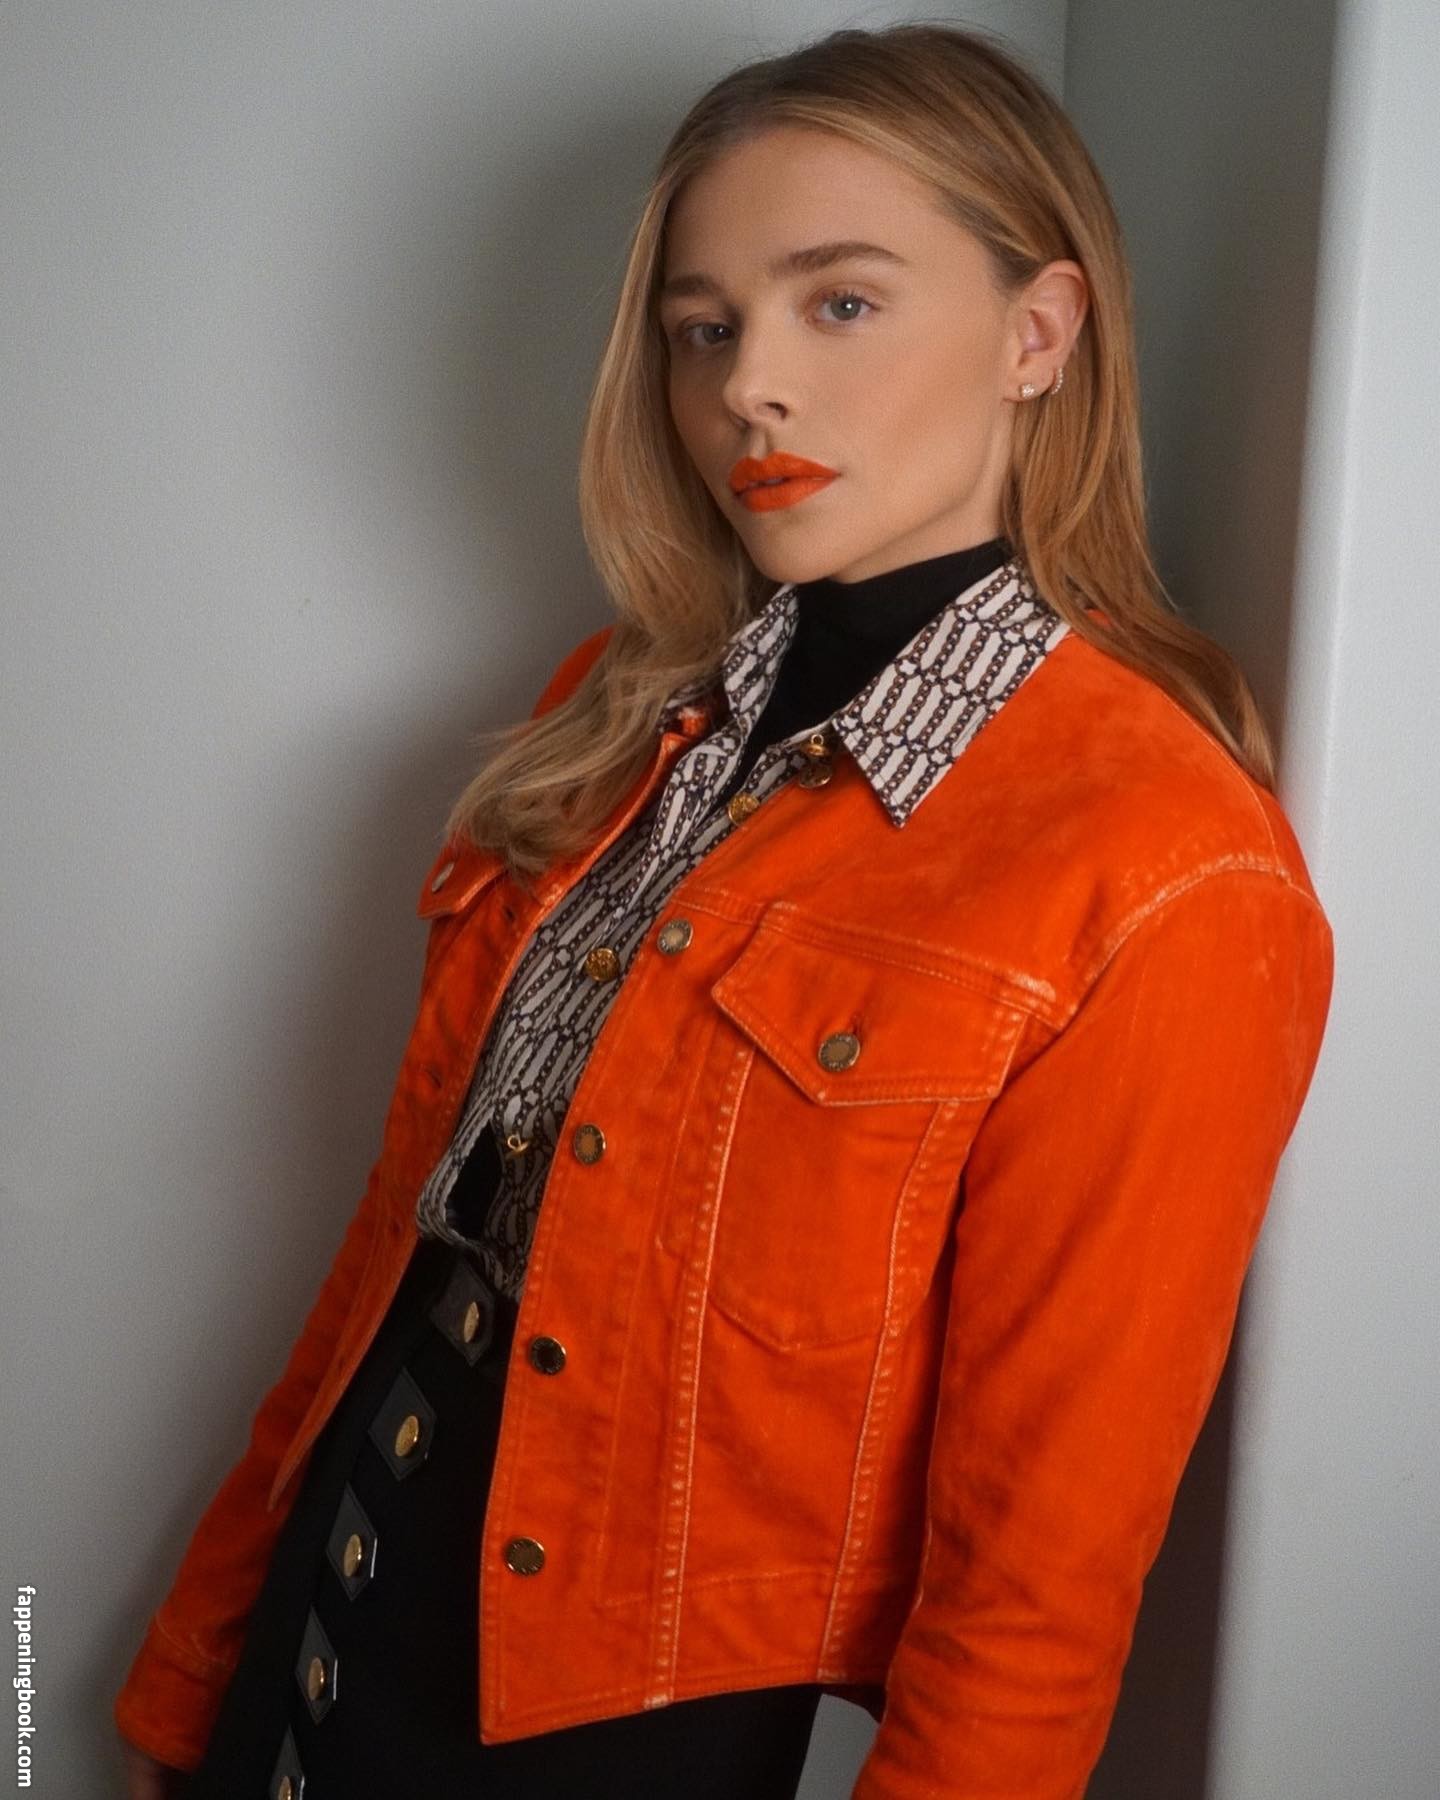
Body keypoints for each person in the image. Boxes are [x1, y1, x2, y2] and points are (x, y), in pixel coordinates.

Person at [114, 21, 1334, 1799]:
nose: (751, 386)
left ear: (1039, 333)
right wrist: (191, 1672)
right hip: (318, 1634)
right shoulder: (614, 718)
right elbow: (395, 1247)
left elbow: (1042, 1576)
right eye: (704, 328)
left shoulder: (1161, 867)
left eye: (840, 303)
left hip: (614, 1749)